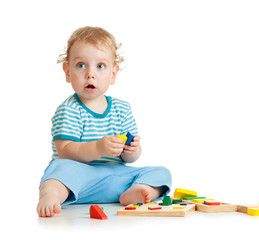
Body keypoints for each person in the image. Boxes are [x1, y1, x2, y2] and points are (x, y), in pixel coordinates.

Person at [37, 26, 171, 217]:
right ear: (67, 72)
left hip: (114, 178)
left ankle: (136, 191)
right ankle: (51, 195)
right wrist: (98, 148)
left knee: (161, 172)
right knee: (58, 171)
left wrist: (132, 151)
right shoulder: (69, 109)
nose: (90, 74)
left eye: (100, 66)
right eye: (81, 65)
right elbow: (65, 150)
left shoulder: (122, 109)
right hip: (78, 179)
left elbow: (130, 157)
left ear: (113, 74)